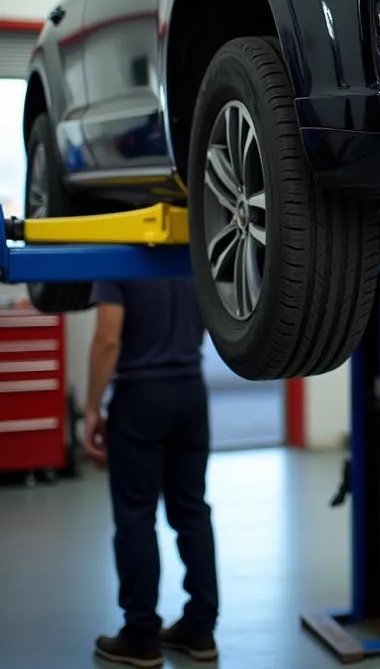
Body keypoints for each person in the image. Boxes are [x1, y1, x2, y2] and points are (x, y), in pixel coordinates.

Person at [83, 277, 220, 667]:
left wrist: (92, 407)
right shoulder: (190, 253)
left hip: (140, 395)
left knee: (136, 516)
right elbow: (213, 318)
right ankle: (200, 628)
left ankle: (141, 635)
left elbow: (108, 339)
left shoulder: (116, 257)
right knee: (192, 510)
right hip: (191, 391)